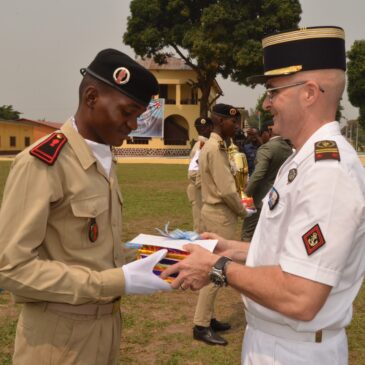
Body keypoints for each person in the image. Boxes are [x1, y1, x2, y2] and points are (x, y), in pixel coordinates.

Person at [162, 26, 365, 365]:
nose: (266, 103)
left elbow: (301, 295)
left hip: (295, 353)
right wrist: (233, 249)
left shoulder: (328, 173)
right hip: (276, 343)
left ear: (310, 92)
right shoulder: (303, 159)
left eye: (273, 91)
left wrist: (217, 266)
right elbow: (290, 250)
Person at [0, 49, 171, 365]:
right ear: (92, 97)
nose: (133, 124)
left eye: (139, 115)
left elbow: (90, 248)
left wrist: (154, 253)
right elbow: (12, 268)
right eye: (127, 112)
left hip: (105, 329)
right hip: (57, 338)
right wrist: (117, 281)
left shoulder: (103, 158)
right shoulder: (43, 163)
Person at [192, 103, 247, 346]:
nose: (236, 126)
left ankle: (209, 318)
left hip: (213, 212)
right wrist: (243, 210)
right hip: (220, 214)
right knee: (215, 270)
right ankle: (201, 325)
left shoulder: (214, 146)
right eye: (232, 122)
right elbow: (226, 189)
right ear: (219, 121)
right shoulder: (214, 148)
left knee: (213, 266)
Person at [241, 119, 292, 241]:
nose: (260, 138)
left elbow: (258, 175)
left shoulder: (266, 148)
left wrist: (245, 195)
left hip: (260, 200)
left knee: (247, 235)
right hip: (279, 199)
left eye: (260, 134)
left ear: (268, 132)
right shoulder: (288, 148)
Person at [186, 117, 213, 232]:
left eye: (205, 127)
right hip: (199, 191)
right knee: (200, 227)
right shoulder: (201, 146)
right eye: (201, 128)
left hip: (203, 191)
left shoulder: (207, 144)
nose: (203, 130)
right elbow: (192, 173)